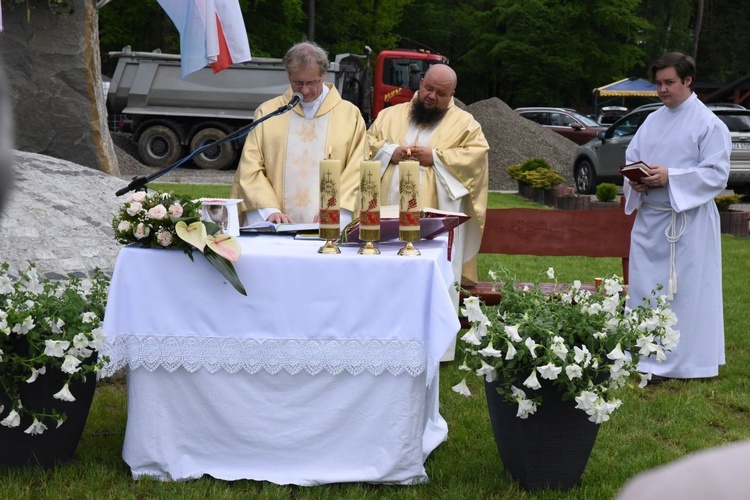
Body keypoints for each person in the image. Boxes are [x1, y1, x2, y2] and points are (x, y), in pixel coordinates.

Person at [623, 52, 731, 380]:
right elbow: (633, 156)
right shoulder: (653, 119)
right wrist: (636, 181)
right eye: (658, 83)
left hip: (688, 223)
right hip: (651, 219)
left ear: (688, 80)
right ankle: (643, 355)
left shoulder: (709, 123)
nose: (662, 90)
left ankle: (684, 362)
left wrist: (671, 176)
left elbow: (716, 174)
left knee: (683, 293)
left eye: (669, 82)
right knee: (645, 287)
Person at [367, 64, 489, 295]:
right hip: (387, 214)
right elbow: (366, 143)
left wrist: (434, 157)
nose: (432, 97)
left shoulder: (466, 124)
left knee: (429, 285)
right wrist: (391, 152)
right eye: (429, 89)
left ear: (452, 95)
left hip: (434, 221)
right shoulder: (389, 115)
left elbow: (476, 157)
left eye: (441, 94)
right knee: (384, 280)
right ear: (421, 83)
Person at [230, 41, 366, 225]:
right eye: (298, 82)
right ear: (289, 75)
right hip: (278, 222)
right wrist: (270, 210)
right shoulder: (268, 112)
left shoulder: (350, 115)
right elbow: (250, 166)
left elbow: (358, 167)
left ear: (324, 75)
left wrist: (335, 208)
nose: (304, 90)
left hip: (331, 221)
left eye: (311, 82)